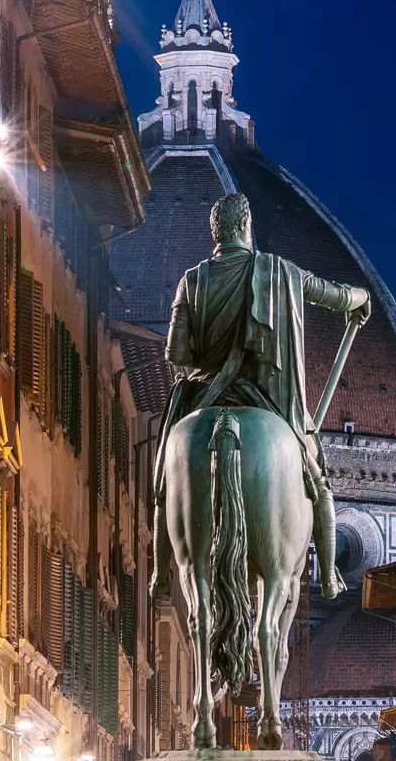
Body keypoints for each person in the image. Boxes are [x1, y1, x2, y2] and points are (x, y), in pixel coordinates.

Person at [151, 192, 370, 602]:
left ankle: (159, 572)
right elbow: (335, 294)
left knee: (165, 477)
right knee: (319, 483)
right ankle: (327, 575)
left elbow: (176, 356)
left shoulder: (191, 280)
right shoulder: (280, 272)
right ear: (247, 226)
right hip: (268, 402)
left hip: (203, 399)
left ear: (215, 231)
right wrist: (361, 299)